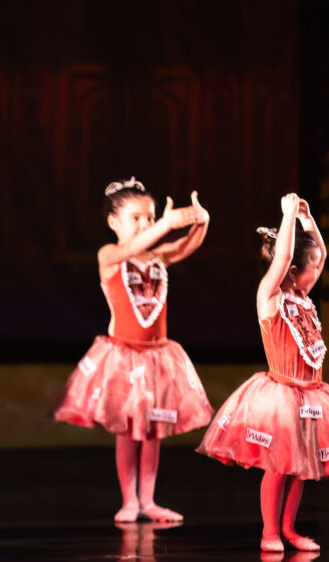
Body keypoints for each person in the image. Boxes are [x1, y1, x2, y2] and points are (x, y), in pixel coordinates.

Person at [197, 194, 329, 551]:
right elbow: (283, 258)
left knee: (302, 465)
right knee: (278, 464)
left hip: (311, 393)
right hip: (281, 394)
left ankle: (290, 528)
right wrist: (289, 216)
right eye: (306, 268)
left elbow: (319, 256)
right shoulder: (271, 297)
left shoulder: (303, 296)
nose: (316, 271)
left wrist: (308, 221)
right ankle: (270, 533)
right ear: (291, 271)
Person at [52, 178, 213, 522]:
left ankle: (149, 500)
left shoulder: (157, 257)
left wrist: (202, 220)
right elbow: (131, 248)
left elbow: (186, 246)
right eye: (136, 218)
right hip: (123, 357)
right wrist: (165, 226)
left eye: (150, 217)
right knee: (128, 431)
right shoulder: (109, 255)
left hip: (157, 356)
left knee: (153, 430)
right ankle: (129, 501)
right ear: (113, 222)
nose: (146, 224)